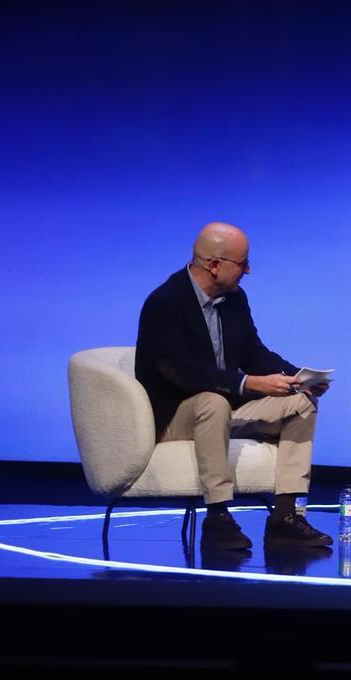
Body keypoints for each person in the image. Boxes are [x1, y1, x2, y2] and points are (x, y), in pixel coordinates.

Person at [135, 222, 332, 551]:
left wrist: (297, 376)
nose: (248, 271)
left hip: (226, 407)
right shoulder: (164, 303)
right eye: (243, 263)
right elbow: (180, 372)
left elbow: (253, 352)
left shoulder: (234, 299)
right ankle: (217, 517)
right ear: (214, 265)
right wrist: (248, 383)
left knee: (302, 401)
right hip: (176, 416)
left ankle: (285, 517)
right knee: (212, 400)